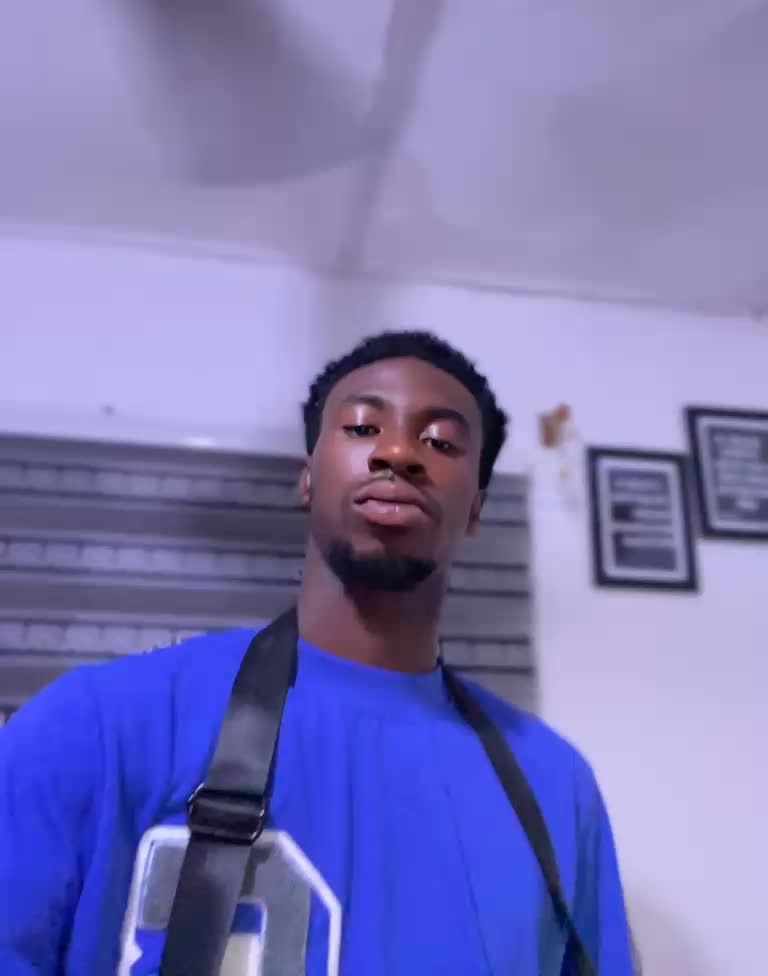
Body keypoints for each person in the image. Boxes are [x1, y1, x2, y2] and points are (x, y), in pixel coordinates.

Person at [0, 330, 635, 975]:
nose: (398, 452)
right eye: (362, 428)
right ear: (307, 478)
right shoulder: (94, 728)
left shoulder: (555, 787)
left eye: (441, 441)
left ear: (475, 509)